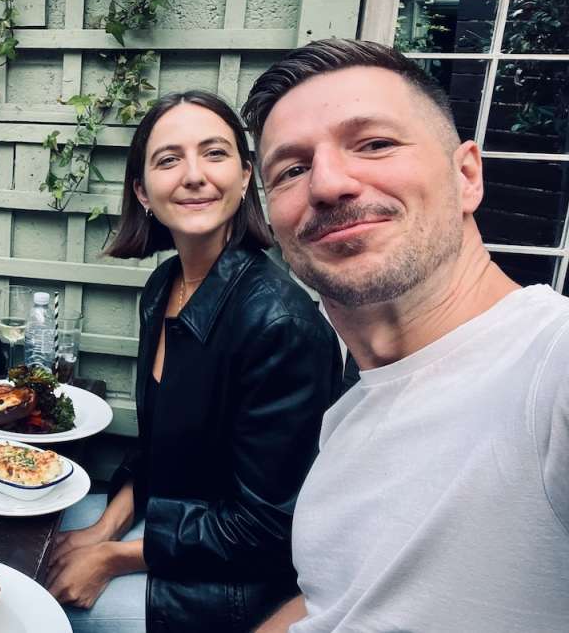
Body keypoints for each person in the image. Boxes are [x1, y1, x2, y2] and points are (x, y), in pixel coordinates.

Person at [242, 39, 569, 632]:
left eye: (374, 144)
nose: (328, 184)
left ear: (466, 174)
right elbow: (334, 605)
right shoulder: (354, 413)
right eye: (291, 170)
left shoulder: (549, 367)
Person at [47, 90, 344, 632]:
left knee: (56, 611)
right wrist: (105, 528)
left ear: (245, 173)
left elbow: (268, 527)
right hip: (173, 527)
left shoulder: (280, 325)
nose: (193, 176)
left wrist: (111, 557)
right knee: (42, 543)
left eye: (214, 153)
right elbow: (160, 450)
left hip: (239, 580)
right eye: (168, 160)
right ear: (142, 190)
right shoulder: (163, 287)